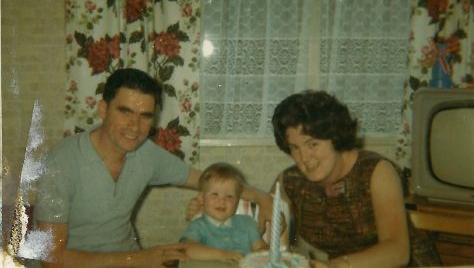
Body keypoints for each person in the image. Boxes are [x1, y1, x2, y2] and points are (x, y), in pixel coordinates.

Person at [34, 68, 273, 268]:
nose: (134, 126)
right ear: (103, 109)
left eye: (145, 116)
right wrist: (135, 258)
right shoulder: (60, 163)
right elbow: (50, 258)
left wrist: (261, 196)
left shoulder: (145, 153)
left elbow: (205, 180)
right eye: (125, 111)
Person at [187, 90, 441, 268]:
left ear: (335, 136)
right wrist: (203, 208)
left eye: (313, 144)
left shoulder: (377, 171)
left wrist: (336, 266)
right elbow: (275, 235)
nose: (304, 158)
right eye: (295, 148)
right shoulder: (292, 181)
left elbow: (398, 251)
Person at [180, 162, 268, 262]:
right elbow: (187, 249)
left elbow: (261, 248)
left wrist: (262, 253)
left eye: (229, 196)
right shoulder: (198, 226)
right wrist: (222, 255)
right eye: (215, 194)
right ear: (201, 198)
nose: (222, 201)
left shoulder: (247, 223)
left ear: (237, 200)